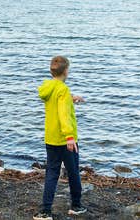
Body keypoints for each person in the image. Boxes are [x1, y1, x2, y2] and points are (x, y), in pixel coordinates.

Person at [33, 56, 87, 219]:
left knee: (51, 173)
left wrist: (71, 100)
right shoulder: (63, 89)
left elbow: (57, 103)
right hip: (65, 140)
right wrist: (70, 137)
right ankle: (76, 205)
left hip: (51, 138)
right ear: (66, 71)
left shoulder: (49, 87)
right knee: (73, 172)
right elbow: (63, 115)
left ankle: (45, 211)